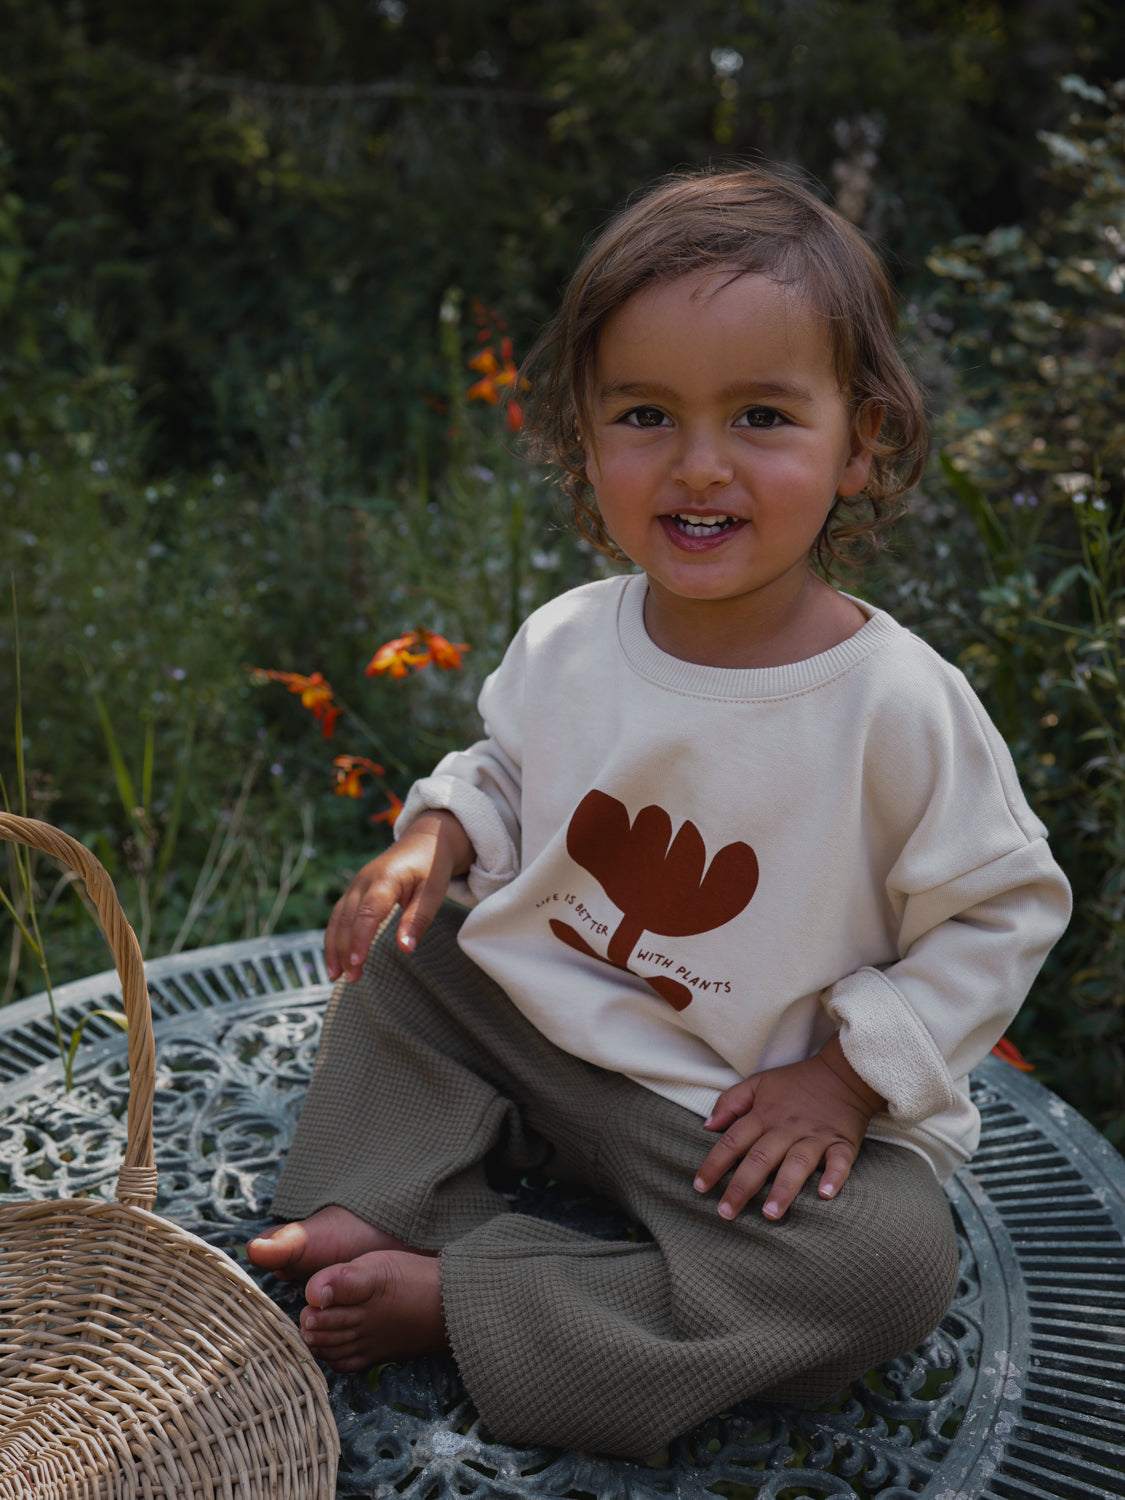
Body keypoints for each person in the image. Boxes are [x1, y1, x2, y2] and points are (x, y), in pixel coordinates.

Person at [248, 166, 1071, 1459]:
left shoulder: (897, 706)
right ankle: (383, 1196)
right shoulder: (573, 638)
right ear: (581, 434)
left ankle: (466, 1296)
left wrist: (843, 1082)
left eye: (758, 416)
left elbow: (999, 914)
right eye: (644, 414)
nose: (699, 465)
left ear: (859, 442)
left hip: (739, 1122)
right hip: (547, 1029)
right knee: (410, 960)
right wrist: (436, 836)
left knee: (886, 1272)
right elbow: (506, 772)